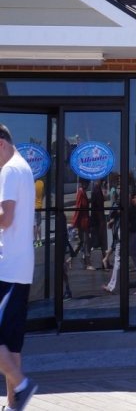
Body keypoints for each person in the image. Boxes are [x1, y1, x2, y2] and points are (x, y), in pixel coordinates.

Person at [0, 124, 39, 410]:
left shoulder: (9, 171)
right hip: (21, 268)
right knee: (11, 342)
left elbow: (6, 217)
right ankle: (14, 404)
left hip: (7, 267)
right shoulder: (24, 169)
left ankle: (22, 385)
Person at [89, 181, 108, 270]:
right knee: (97, 242)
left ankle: (105, 261)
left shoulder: (96, 190)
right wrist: (101, 221)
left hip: (97, 221)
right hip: (98, 221)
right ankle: (88, 261)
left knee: (101, 242)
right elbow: (99, 208)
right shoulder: (97, 191)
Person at [72, 184, 90, 267]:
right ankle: (87, 263)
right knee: (85, 242)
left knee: (81, 241)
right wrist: (74, 223)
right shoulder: (81, 193)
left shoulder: (83, 192)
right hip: (83, 222)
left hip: (84, 222)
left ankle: (69, 259)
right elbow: (78, 208)